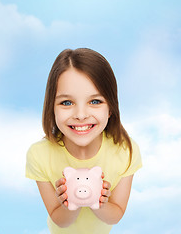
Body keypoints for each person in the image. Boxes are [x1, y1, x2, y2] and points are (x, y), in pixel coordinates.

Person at [25, 48, 142, 234]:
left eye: (95, 101)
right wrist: (70, 203)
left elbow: (116, 214)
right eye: (66, 103)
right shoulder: (39, 155)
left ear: (110, 107)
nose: (80, 115)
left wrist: (97, 201)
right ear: (51, 108)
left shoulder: (125, 151)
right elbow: (59, 221)